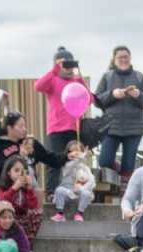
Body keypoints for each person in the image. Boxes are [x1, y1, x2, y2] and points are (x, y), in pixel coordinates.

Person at [93, 45, 143, 182]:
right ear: (114, 59)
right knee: (104, 161)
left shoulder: (139, 77)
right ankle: (117, 171)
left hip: (134, 128)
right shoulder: (107, 77)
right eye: (120, 57)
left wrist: (138, 95)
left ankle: (124, 193)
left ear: (130, 58)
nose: (123, 59)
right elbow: (96, 101)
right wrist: (112, 94)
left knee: (129, 165)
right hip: (111, 127)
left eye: (126, 57)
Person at [35, 47, 89, 194]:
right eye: (64, 65)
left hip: (74, 128)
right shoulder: (53, 80)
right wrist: (54, 70)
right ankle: (51, 193)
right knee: (54, 163)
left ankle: (74, 191)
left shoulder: (76, 81)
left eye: (70, 64)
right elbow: (38, 86)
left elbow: (88, 98)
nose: (68, 68)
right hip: (56, 129)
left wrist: (79, 75)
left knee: (74, 163)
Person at [0, 112, 63, 180]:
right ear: (9, 128)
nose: (24, 129)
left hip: (30, 189)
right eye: (20, 126)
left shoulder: (29, 142)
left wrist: (67, 155)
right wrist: (19, 156)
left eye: (24, 126)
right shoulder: (1, 146)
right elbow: (0, 166)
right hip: (10, 189)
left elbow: (51, 158)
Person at [0, 155, 41, 247]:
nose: (20, 174)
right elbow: (0, 202)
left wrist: (29, 190)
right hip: (7, 219)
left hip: (22, 221)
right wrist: (14, 188)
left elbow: (33, 206)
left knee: (36, 213)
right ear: (9, 172)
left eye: (23, 171)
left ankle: (26, 245)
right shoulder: (1, 187)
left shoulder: (25, 188)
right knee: (5, 217)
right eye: (16, 170)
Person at [51, 141, 95, 223]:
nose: (75, 153)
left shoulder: (85, 168)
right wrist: (81, 157)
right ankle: (60, 213)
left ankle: (79, 213)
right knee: (59, 190)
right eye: (71, 151)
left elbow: (92, 182)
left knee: (87, 193)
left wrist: (81, 189)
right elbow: (70, 167)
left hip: (79, 195)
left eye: (77, 150)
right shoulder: (66, 165)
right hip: (67, 193)